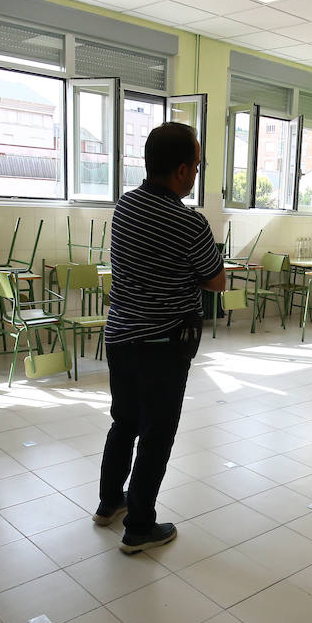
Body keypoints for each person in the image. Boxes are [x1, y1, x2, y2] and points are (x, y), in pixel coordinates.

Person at [95, 122, 225, 553]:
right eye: (198, 166)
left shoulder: (125, 206)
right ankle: (139, 527)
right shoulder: (189, 223)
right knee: (157, 435)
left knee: (124, 422)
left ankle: (110, 501)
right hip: (163, 345)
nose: (197, 174)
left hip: (121, 336)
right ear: (183, 169)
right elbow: (217, 281)